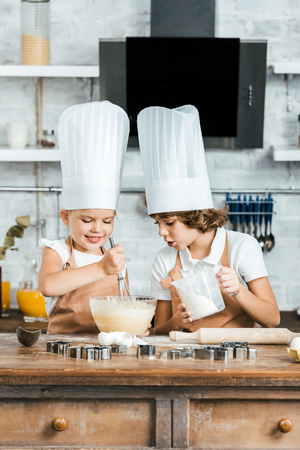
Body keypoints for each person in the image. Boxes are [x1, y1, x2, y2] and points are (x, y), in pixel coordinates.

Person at [137, 105, 280, 334]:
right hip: (185, 361)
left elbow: (272, 319)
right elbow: (159, 332)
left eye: (169, 222)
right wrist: (176, 323)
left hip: (237, 357)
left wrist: (239, 291)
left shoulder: (242, 247)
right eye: (158, 223)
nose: (161, 232)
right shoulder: (165, 260)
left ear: (194, 215)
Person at [36, 101, 129, 334]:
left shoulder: (112, 257)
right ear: (66, 216)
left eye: (107, 221)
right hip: (64, 350)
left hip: (109, 349)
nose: (98, 229)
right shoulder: (58, 251)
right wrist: (102, 268)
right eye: (87, 220)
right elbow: (48, 286)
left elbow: (124, 304)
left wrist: (135, 323)